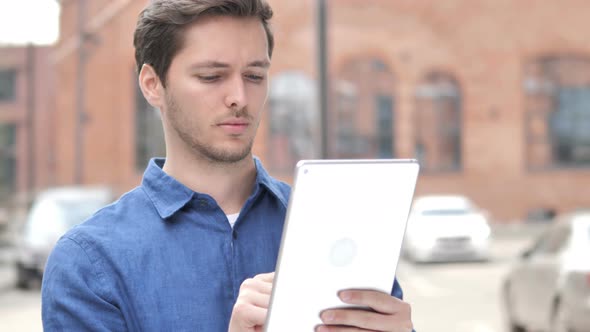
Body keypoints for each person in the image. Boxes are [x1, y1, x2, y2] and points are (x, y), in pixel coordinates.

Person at [41, 1, 414, 331]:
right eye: (211, 76)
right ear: (153, 85)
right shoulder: (89, 263)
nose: (239, 97)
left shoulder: (338, 226)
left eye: (254, 76)